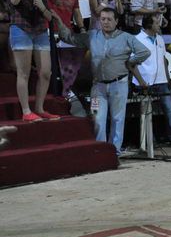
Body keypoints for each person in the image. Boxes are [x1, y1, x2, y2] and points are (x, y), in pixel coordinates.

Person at [56, 8, 150, 154]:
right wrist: (58, 21)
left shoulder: (126, 37)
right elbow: (69, 38)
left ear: (116, 21)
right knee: (97, 119)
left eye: (109, 19)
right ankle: (100, 150)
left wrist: (130, 62)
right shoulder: (92, 36)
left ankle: (114, 152)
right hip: (97, 87)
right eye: (103, 19)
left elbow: (144, 52)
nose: (105, 22)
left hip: (119, 84)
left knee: (118, 119)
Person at [6, 0, 56, 122]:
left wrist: (42, 7)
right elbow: (14, 1)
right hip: (21, 29)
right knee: (24, 72)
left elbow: (49, 16)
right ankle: (26, 111)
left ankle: (40, 108)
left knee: (46, 72)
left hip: (40, 30)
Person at [132, 13, 171, 148]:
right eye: (156, 23)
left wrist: (167, 78)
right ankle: (150, 141)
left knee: (170, 111)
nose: (159, 25)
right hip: (145, 81)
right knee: (146, 112)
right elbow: (132, 63)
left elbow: (163, 60)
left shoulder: (160, 39)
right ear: (149, 25)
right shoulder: (136, 39)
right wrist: (140, 81)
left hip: (161, 81)